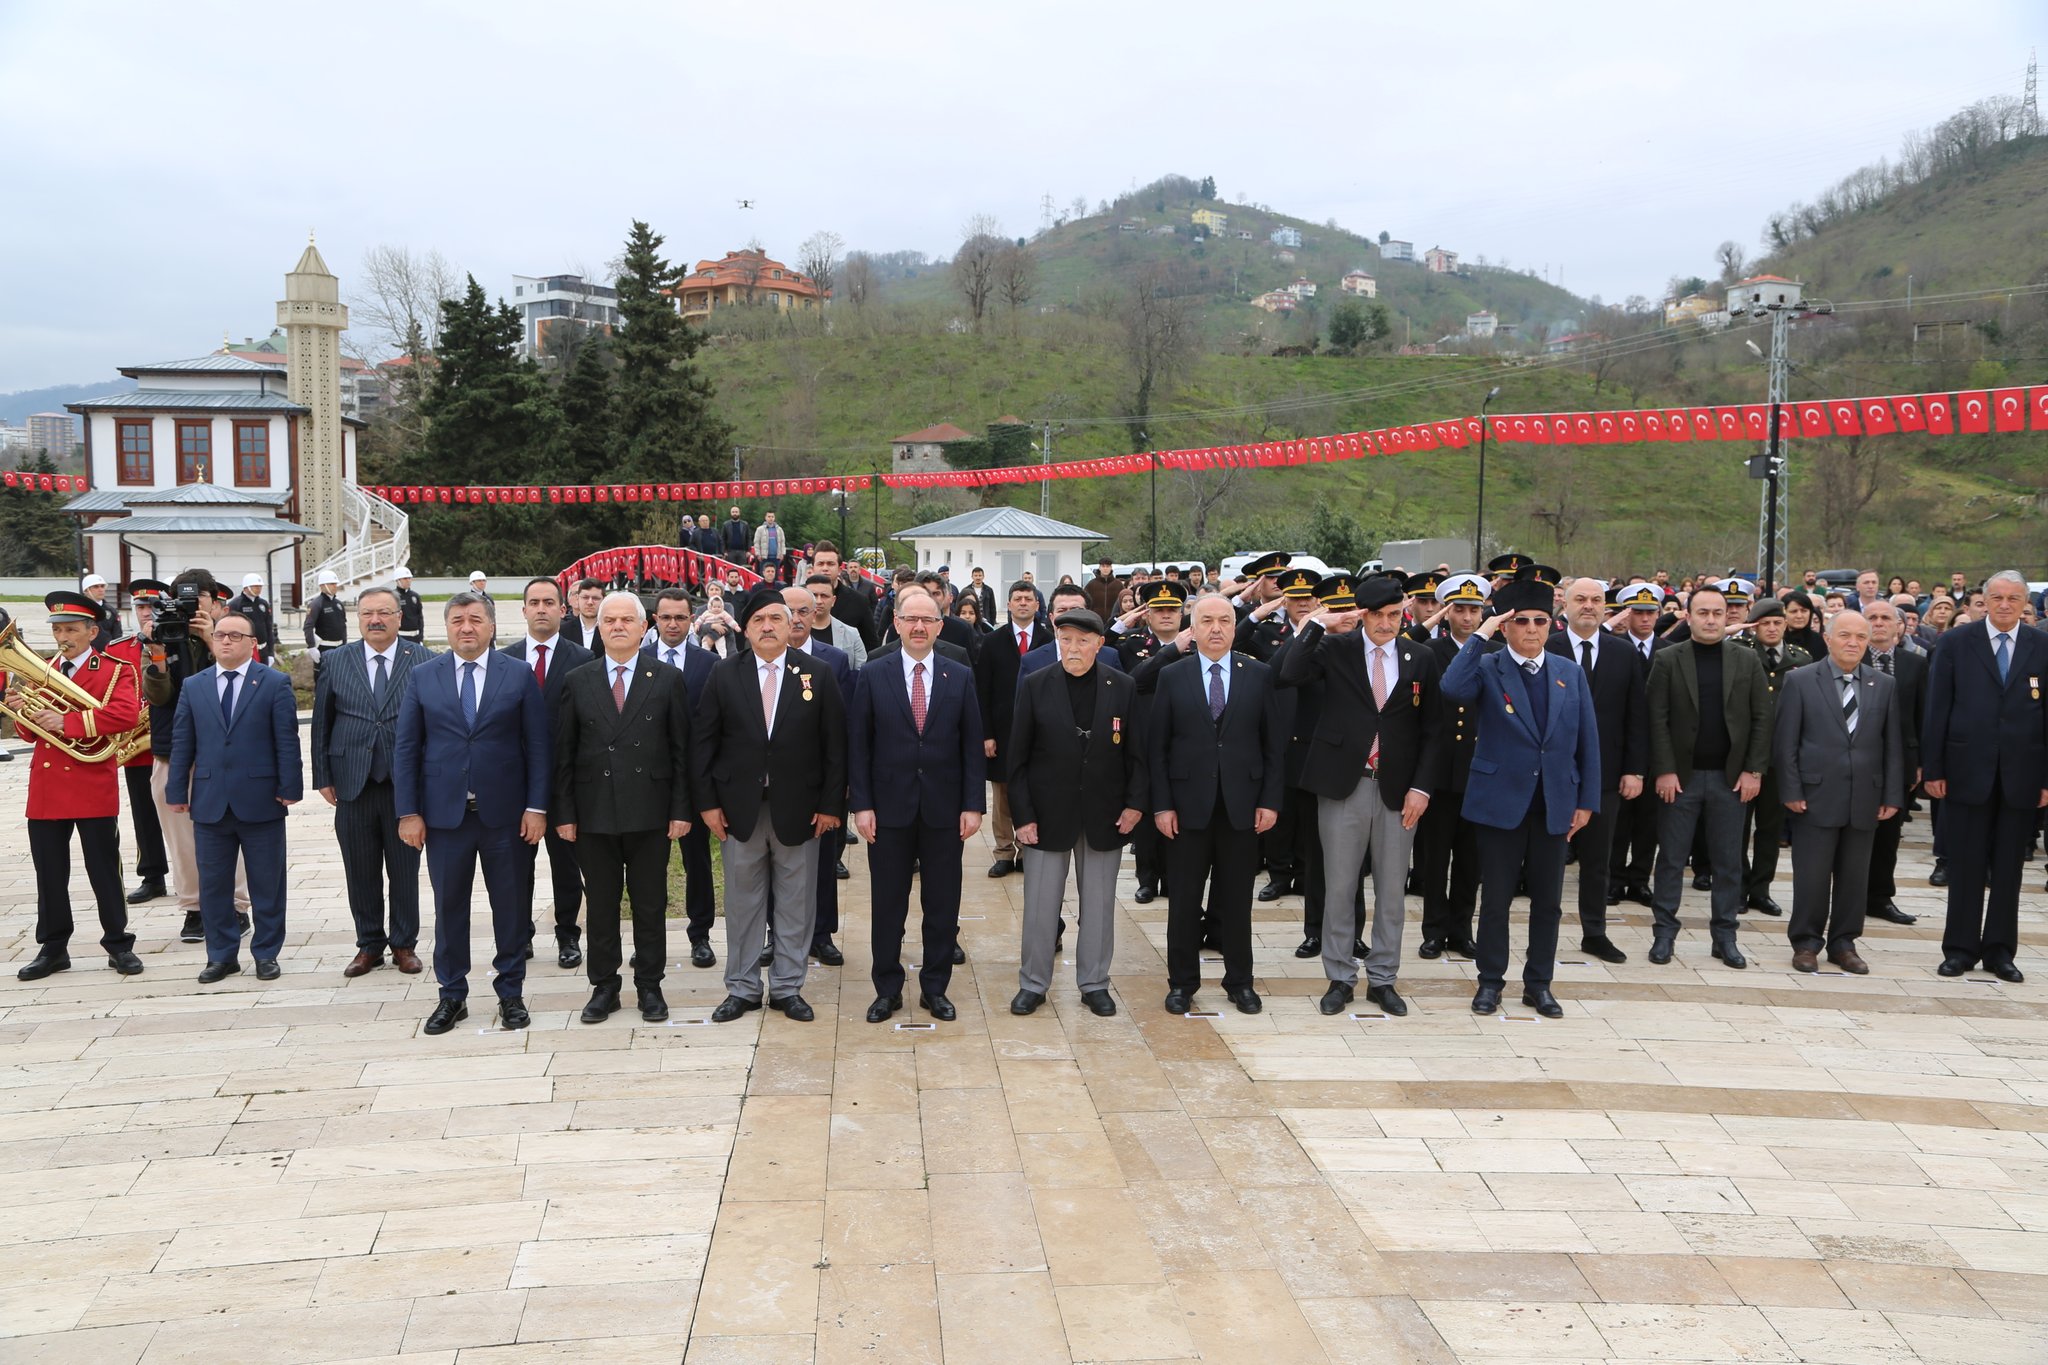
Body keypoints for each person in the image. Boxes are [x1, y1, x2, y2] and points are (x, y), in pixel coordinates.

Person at [1280, 574, 1444, 1016]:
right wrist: (1319, 624)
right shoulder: (1337, 649)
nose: (1388, 624)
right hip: (1342, 784)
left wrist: (1421, 788)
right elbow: (1289, 673)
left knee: (1392, 891)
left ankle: (1384, 978)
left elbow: (1433, 730)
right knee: (1339, 886)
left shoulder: (1420, 657)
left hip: (1398, 791)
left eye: (1395, 615)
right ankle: (1339, 977)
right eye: (1378, 615)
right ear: (1362, 613)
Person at [1438, 572, 1600, 1018]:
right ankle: (1490, 982)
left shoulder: (1568, 672)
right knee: (1495, 901)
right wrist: (1482, 633)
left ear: (1552, 625)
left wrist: (1587, 800)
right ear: (1507, 625)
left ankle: (1539, 984)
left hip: (1554, 802)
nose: (1532, 629)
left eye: (1541, 621)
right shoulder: (1489, 666)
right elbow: (1452, 688)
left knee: (1548, 902)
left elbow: (1588, 739)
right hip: (1500, 802)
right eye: (1522, 621)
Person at [394, 592, 550, 1033]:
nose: (467, 627)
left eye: (476, 619)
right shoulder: (424, 676)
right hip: (445, 820)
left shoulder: (518, 675)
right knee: (449, 908)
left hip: (505, 816)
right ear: (446, 627)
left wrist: (536, 807)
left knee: (511, 907)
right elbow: (406, 749)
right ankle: (452, 994)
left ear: (491, 626)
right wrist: (409, 812)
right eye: (458, 620)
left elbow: (538, 746)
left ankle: (511, 992)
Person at [694, 588, 847, 1023]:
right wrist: (707, 804)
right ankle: (741, 987)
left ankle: (786, 987)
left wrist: (831, 805)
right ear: (746, 626)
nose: (767, 627)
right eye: (758, 619)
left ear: (790, 625)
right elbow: (703, 743)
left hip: (799, 810)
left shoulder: (816, 673)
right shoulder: (725, 674)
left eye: (776, 619)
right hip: (739, 809)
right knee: (743, 902)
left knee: (797, 902)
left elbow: (836, 746)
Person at [552, 592, 694, 1024]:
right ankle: (604, 986)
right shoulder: (579, 679)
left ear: (642, 626)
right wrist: (565, 813)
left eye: (625, 620)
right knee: (601, 904)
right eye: (609, 619)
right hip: (594, 812)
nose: (616, 626)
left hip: (649, 811)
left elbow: (680, 751)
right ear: (599, 625)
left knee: (650, 903)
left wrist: (681, 810)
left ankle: (649, 986)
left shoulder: (666, 678)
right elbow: (565, 753)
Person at [847, 588, 985, 1022]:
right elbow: (859, 745)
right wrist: (862, 805)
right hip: (888, 811)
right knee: (888, 905)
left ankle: (935, 988)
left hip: (945, 811)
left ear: (940, 625)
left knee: (942, 905)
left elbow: (971, 746)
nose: (920, 627)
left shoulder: (958, 675)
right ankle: (886, 989)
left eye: (928, 620)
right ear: (897, 624)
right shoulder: (874, 672)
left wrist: (973, 804)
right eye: (911, 619)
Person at [1148, 593, 1283, 1015]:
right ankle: (1182, 983)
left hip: (1242, 807)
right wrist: (1162, 805)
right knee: (1184, 900)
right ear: (1194, 625)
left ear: (1235, 625)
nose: (1217, 628)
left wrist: (1270, 801)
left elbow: (1273, 746)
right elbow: (1158, 749)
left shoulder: (1258, 675)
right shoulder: (1174, 676)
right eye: (1207, 620)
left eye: (1225, 620)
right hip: (1187, 808)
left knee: (1236, 900)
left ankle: (1240, 981)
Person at [1008, 608, 1144, 1017]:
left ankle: (1094, 983)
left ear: (1100, 644)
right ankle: (1033, 983)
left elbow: (1138, 754)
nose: (1073, 648)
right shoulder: (1035, 685)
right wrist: (1023, 816)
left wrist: (1135, 804)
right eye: (1065, 639)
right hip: (1047, 815)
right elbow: (1017, 759)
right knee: (1039, 907)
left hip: (1105, 814)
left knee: (1100, 906)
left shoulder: (1122, 686)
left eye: (1083, 641)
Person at [10, 591, 145, 980]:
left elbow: (125, 714)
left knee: (104, 869)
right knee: (49, 872)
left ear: (92, 632)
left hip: (91, 780)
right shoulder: (43, 669)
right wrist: (23, 712)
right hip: (48, 786)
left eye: (71, 629)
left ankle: (118, 943)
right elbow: (30, 734)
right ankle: (53, 948)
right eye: (58, 630)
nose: (63, 637)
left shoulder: (116, 669)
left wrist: (67, 723)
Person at [1921, 570, 2046, 982]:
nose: (2005, 605)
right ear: (1984, 601)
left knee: (2009, 868)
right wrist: (1934, 768)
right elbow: (1937, 707)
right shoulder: (1956, 642)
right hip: (1965, 771)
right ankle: (1959, 949)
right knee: (1966, 864)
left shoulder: (2041, 645)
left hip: (2021, 774)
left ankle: (1999, 951)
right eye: (1997, 598)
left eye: (2014, 599)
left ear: (2025, 603)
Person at [167, 610, 302, 983]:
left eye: (235, 635)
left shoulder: (274, 683)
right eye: (220, 635)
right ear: (211, 642)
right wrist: (177, 789)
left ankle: (266, 953)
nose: (226, 641)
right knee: (213, 885)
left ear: (252, 644)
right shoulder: (194, 686)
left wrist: (290, 787)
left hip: (261, 800)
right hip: (209, 801)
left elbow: (286, 740)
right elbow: (183, 743)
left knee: (267, 884)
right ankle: (222, 955)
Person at [1644, 584, 1772, 969]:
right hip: (1680, 779)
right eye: (1703, 612)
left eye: (1718, 612)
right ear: (1688, 615)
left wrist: (1754, 770)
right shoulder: (1668, 659)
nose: (1712, 619)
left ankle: (1725, 937)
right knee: (1670, 859)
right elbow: (1657, 718)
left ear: (1728, 616)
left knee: (1729, 861)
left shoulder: (1746, 660)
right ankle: (1664, 935)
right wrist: (1664, 769)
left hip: (1730, 780)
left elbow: (1762, 719)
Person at [1773, 610, 1905, 974]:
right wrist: (1791, 789)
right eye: (1845, 635)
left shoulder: (1884, 683)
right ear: (1827, 638)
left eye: (1861, 637)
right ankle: (1806, 942)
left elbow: (1892, 744)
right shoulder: (1800, 680)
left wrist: (1892, 795)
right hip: (1814, 796)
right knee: (1812, 876)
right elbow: (1786, 743)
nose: (1853, 643)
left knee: (1854, 876)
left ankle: (1844, 943)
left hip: (1865, 796)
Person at [313, 586, 432, 979]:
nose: (375, 620)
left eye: (384, 612)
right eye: (367, 614)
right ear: (357, 618)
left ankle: (404, 944)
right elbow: (322, 723)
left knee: (404, 870)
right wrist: (323, 776)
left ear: (400, 617)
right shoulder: (337, 661)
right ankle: (369, 945)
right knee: (359, 869)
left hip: (404, 786)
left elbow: (434, 727)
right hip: (352, 781)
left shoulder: (424, 661)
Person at [1546, 576, 1647, 964]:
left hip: (1604, 774)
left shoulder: (1623, 653)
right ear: (1566, 606)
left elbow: (1636, 714)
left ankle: (1595, 932)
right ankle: (1546, 931)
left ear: (1606, 607)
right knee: (1550, 859)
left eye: (1596, 600)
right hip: (1553, 774)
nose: (1589, 606)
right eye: (1581, 600)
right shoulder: (1547, 646)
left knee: (1597, 861)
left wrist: (1635, 769)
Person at [500, 577, 594, 969]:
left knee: (566, 864)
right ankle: (519, 935)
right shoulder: (503, 661)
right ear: (523, 611)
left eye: (549, 602)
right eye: (534, 602)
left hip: (565, 782)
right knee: (514, 866)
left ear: (562, 609)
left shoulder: (584, 660)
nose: (541, 608)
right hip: (513, 783)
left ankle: (568, 935)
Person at [1417, 572, 1493, 959]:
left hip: (1480, 772)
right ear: (1447, 613)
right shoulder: (1432, 652)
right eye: (1459, 609)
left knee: (1470, 859)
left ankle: (1462, 928)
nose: (1467, 617)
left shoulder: (1493, 652)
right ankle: (1433, 929)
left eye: (1474, 609)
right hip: (1442, 771)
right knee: (1434, 858)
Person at [1240, 566, 1323, 902]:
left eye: (1310, 598)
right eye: (1296, 598)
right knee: (1280, 808)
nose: (1304, 604)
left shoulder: (1329, 634)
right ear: (1285, 601)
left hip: (1315, 734)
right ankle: (1279, 874)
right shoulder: (1268, 634)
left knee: (1310, 815)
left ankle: (1305, 875)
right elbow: (1240, 641)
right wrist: (1260, 611)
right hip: (1278, 732)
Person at [784, 584, 855, 967]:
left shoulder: (835, 661)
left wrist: (841, 781)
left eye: (803, 612)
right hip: (775, 783)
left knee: (825, 860)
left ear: (815, 615)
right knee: (775, 863)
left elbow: (841, 726)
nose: (795, 619)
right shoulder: (758, 658)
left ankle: (822, 933)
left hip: (821, 781)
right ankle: (775, 934)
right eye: (787, 611)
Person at [1113, 579, 1187, 907]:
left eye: (1173, 609)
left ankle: (1173, 878)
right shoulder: (1131, 643)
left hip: (1183, 740)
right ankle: (1147, 879)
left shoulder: (1198, 645)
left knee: (1178, 811)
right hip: (1144, 738)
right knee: (1144, 812)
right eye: (1160, 610)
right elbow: (1134, 679)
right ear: (1149, 614)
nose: (1167, 615)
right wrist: (1171, 651)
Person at [1738, 598, 1810, 919]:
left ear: (1785, 625)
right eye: (1764, 623)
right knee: (1737, 828)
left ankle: (1760, 889)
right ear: (1754, 626)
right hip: (1741, 759)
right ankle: (1737, 887)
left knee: (1770, 829)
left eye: (1777, 623)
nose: (1771, 628)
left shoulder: (1801, 659)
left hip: (1780, 759)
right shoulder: (1739, 654)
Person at [975, 580, 1051, 879]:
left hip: (1041, 732)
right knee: (1004, 794)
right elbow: (983, 689)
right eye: (1017, 598)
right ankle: (1004, 851)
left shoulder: (1047, 640)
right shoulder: (993, 641)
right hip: (1003, 732)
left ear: (1036, 604)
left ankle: (1026, 848)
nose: (1022, 603)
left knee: (1034, 791)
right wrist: (986, 733)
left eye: (1028, 599)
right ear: (1008, 604)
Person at [103, 581, 169, 906]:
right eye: (141, 607)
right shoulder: (117, 648)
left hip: (174, 736)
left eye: (153, 606)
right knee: (143, 812)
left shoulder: (176, 641)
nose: (146, 613)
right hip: (138, 743)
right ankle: (153, 875)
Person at [1861, 599, 1925, 927]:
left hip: (1899, 761)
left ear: (1899, 625)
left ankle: (1881, 897)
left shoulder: (1915, 665)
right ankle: (1850, 895)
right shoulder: (1849, 660)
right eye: (1872, 617)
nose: (1879, 623)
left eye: (1886, 617)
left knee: (1888, 834)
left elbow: (1922, 716)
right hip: (1856, 760)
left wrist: (1920, 762)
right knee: (1854, 832)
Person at [806, 573, 869, 669]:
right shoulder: (792, 632)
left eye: (824, 596)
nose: (818, 601)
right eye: (814, 595)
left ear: (833, 600)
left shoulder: (851, 634)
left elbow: (861, 671)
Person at [304, 571, 349, 664]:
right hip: (324, 648)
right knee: (324, 676)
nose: (335, 586)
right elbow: (308, 627)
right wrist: (312, 647)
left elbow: (343, 626)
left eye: (335, 584)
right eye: (332, 584)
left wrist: (344, 644)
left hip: (339, 647)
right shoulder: (316, 604)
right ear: (322, 586)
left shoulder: (338, 604)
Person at [229, 574, 276, 661]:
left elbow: (269, 628)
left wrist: (271, 653)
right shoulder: (236, 604)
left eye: (260, 587)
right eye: (255, 587)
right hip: (246, 650)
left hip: (263, 650)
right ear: (246, 587)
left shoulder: (263, 604)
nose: (258, 589)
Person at [561, 578, 604, 650]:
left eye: (595, 598)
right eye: (585, 597)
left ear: (603, 600)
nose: (590, 602)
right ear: (577, 599)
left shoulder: (611, 629)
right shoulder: (562, 631)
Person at [393, 567, 426, 645]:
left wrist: (421, 637)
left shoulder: (415, 596)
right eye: (405, 578)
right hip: (400, 636)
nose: (408, 581)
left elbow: (420, 617)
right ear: (398, 580)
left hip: (415, 637)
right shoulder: (393, 596)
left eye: (409, 578)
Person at [752, 510, 786, 575]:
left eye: (772, 517)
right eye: (769, 516)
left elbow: (782, 542)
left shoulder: (779, 529)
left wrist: (782, 553)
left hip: (776, 557)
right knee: (764, 575)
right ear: (765, 517)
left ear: (774, 518)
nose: (771, 518)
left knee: (775, 575)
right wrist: (758, 554)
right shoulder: (760, 529)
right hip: (764, 557)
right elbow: (756, 543)